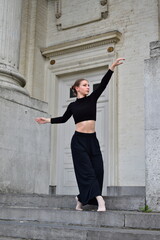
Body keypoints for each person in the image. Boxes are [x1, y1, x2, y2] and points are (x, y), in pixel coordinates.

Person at [35, 58, 125, 211]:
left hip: (92, 140)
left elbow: (103, 84)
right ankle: (100, 201)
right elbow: (63, 119)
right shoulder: (72, 106)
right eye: (84, 85)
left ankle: (80, 199)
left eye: (88, 85)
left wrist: (112, 67)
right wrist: (47, 120)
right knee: (87, 172)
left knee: (98, 170)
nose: (88, 87)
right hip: (79, 142)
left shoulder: (92, 99)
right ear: (76, 88)